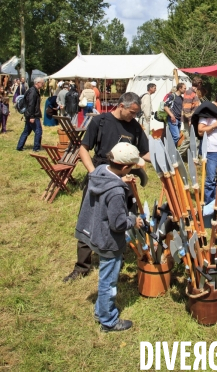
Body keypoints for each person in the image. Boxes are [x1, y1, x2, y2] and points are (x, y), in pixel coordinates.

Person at [64, 92, 150, 282]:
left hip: (124, 180)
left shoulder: (135, 127)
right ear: (121, 105)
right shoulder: (100, 121)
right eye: (132, 112)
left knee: (123, 219)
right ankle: (82, 266)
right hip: (99, 175)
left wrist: (164, 160)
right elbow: (83, 148)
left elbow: (145, 152)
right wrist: (93, 173)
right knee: (90, 218)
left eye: (136, 113)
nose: (134, 116)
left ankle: (116, 260)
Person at [75, 142, 144, 332]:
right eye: (131, 166)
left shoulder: (99, 171)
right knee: (109, 281)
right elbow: (118, 223)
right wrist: (134, 221)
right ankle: (108, 320)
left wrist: (121, 181)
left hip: (96, 232)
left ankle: (101, 310)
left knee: (106, 278)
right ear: (124, 167)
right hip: (109, 240)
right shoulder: (115, 192)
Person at [16, 77, 45, 152]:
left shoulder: (34, 90)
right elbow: (31, 105)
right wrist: (32, 116)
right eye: (42, 83)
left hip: (29, 114)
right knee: (38, 131)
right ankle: (36, 148)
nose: (43, 84)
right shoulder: (33, 92)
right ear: (37, 83)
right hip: (33, 115)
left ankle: (19, 146)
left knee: (26, 131)